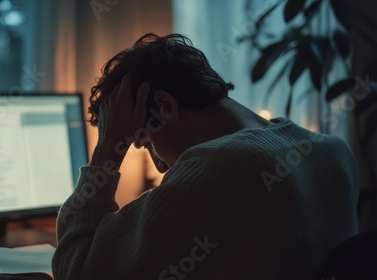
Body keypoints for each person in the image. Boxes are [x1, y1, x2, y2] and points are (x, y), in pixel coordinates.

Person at [51, 33, 359, 280]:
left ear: (165, 107)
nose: (159, 166)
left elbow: (74, 269)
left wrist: (108, 147)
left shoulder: (214, 170)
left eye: (144, 143)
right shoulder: (333, 152)